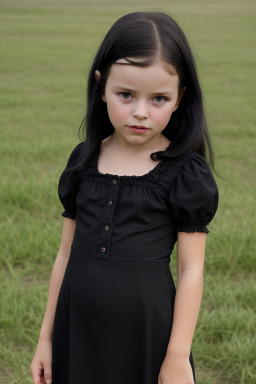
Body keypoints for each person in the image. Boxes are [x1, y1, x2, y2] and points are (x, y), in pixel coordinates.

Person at [30, 11, 219, 384]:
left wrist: (178, 356)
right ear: (101, 86)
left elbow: (191, 269)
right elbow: (65, 255)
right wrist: (46, 339)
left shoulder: (185, 173)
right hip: (78, 329)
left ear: (180, 98)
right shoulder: (83, 161)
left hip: (147, 337)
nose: (140, 112)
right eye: (126, 94)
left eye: (159, 99)